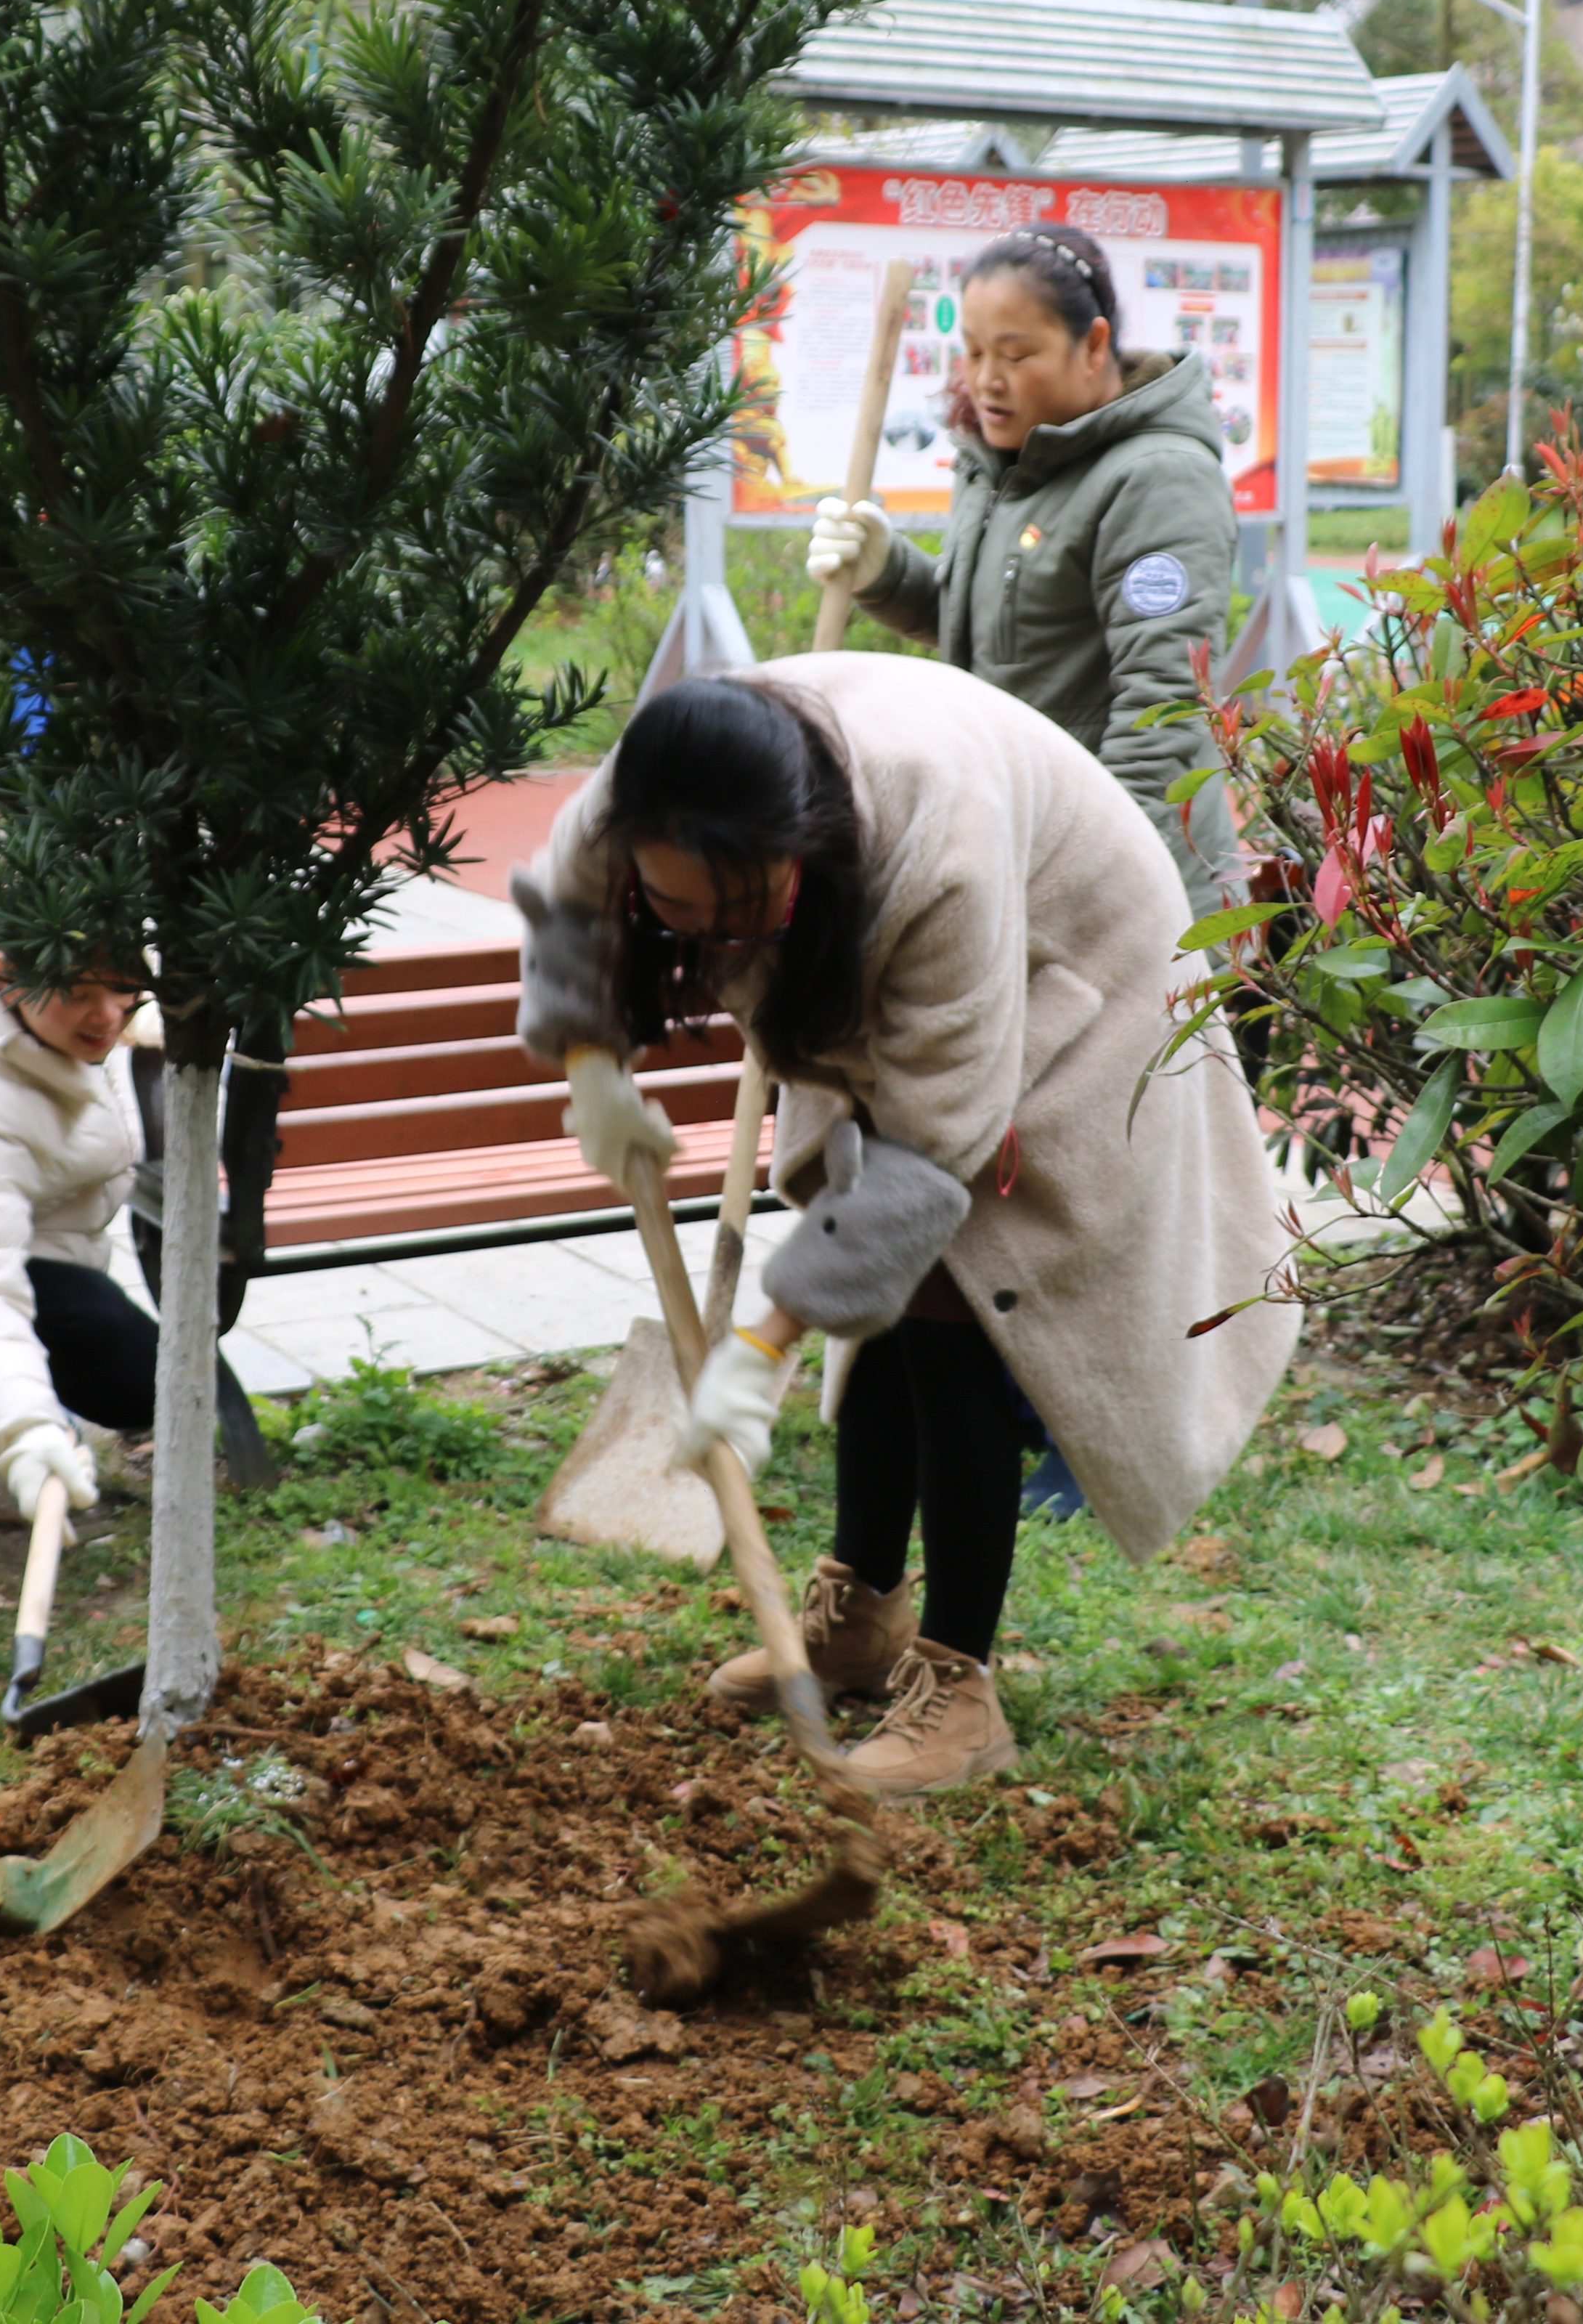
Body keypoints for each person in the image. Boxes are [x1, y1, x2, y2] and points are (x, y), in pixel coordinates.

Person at [508, 656, 1297, 1797]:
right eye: (682, 911)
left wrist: (765, 1344)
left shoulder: (939, 852)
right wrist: (588, 1058)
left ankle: (960, 1688)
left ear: (805, 840)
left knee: (961, 1298)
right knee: (877, 1270)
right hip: (874, 947)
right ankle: (861, 1612)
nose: (714, 938)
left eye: (742, 910)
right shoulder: (647, 786)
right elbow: (566, 904)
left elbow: (924, 1164)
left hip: (1072, 953)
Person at [802, 223, 1238, 895]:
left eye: (1015, 354)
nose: (985, 381)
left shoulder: (1158, 479)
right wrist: (885, 572)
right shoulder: (1007, 466)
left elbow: (1166, 713)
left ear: (1093, 345)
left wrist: (1083, 885)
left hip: (1122, 894)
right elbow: (1003, 637)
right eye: (973, 352)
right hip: (1014, 853)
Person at [0, 959, 277, 1558]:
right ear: (8, 970)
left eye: (121, 989)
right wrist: (24, 1432)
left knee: (139, 1380)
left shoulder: (29, 1022)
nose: (109, 1015)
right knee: (124, 1362)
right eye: (81, 992)